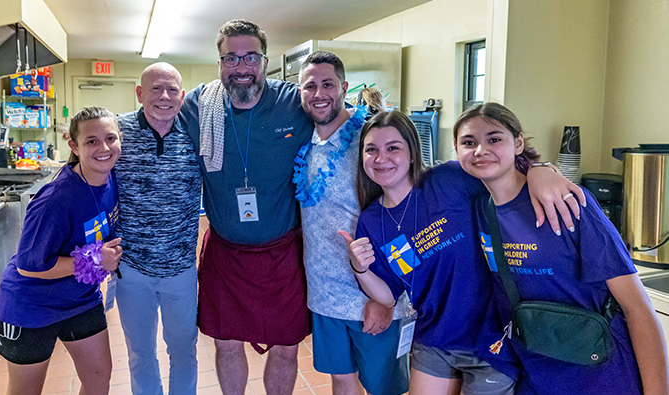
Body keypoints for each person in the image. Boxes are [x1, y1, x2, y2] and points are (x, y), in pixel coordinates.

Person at [341, 110, 584, 395]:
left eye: (393, 147)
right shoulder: (371, 221)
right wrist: (360, 268)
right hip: (434, 340)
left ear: (411, 153)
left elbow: (505, 172)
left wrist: (541, 169)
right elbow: (387, 295)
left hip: (491, 340)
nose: (382, 158)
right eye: (371, 150)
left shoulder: (449, 179)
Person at [453, 102, 669, 395]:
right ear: (456, 151)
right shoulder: (479, 209)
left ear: (517, 143)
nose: (480, 150)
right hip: (536, 375)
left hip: (603, 374)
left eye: (494, 138)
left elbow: (637, 308)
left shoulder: (570, 202)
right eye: (469, 142)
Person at [179, 20, 313, 394]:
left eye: (250, 57)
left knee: (287, 347)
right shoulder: (198, 106)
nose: (241, 67)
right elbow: (152, 122)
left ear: (265, 61)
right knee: (226, 343)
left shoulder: (294, 103)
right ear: (220, 63)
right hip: (226, 252)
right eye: (231, 58)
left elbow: (346, 128)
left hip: (282, 254)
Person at [295, 51, 409, 395]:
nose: (319, 94)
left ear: (344, 87)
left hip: (374, 294)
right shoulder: (306, 144)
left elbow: (399, 215)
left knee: (382, 387)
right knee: (341, 380)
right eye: (310, 86)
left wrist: (385, 298)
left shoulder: (370, 142)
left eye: (328, 84)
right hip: (325, 295)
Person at [0, 106, 122, 395]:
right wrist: (96, 260)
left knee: (99, 381)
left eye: (110, 138)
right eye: (91, 141)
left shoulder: (112, 178)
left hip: (80, 298)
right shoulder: (56, 199)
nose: (104, 148)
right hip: (31, 306)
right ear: (74, 146)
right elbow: (29, 265)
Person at [115, 62, 201, 395]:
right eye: (155, 89)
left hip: (181, 270)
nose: (164, 97)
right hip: (131, 270)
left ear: (182, 96)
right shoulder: (117, 133)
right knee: (140, 354)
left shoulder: (196, 133)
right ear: (139, 93)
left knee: (183, 351)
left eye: (171, 90)